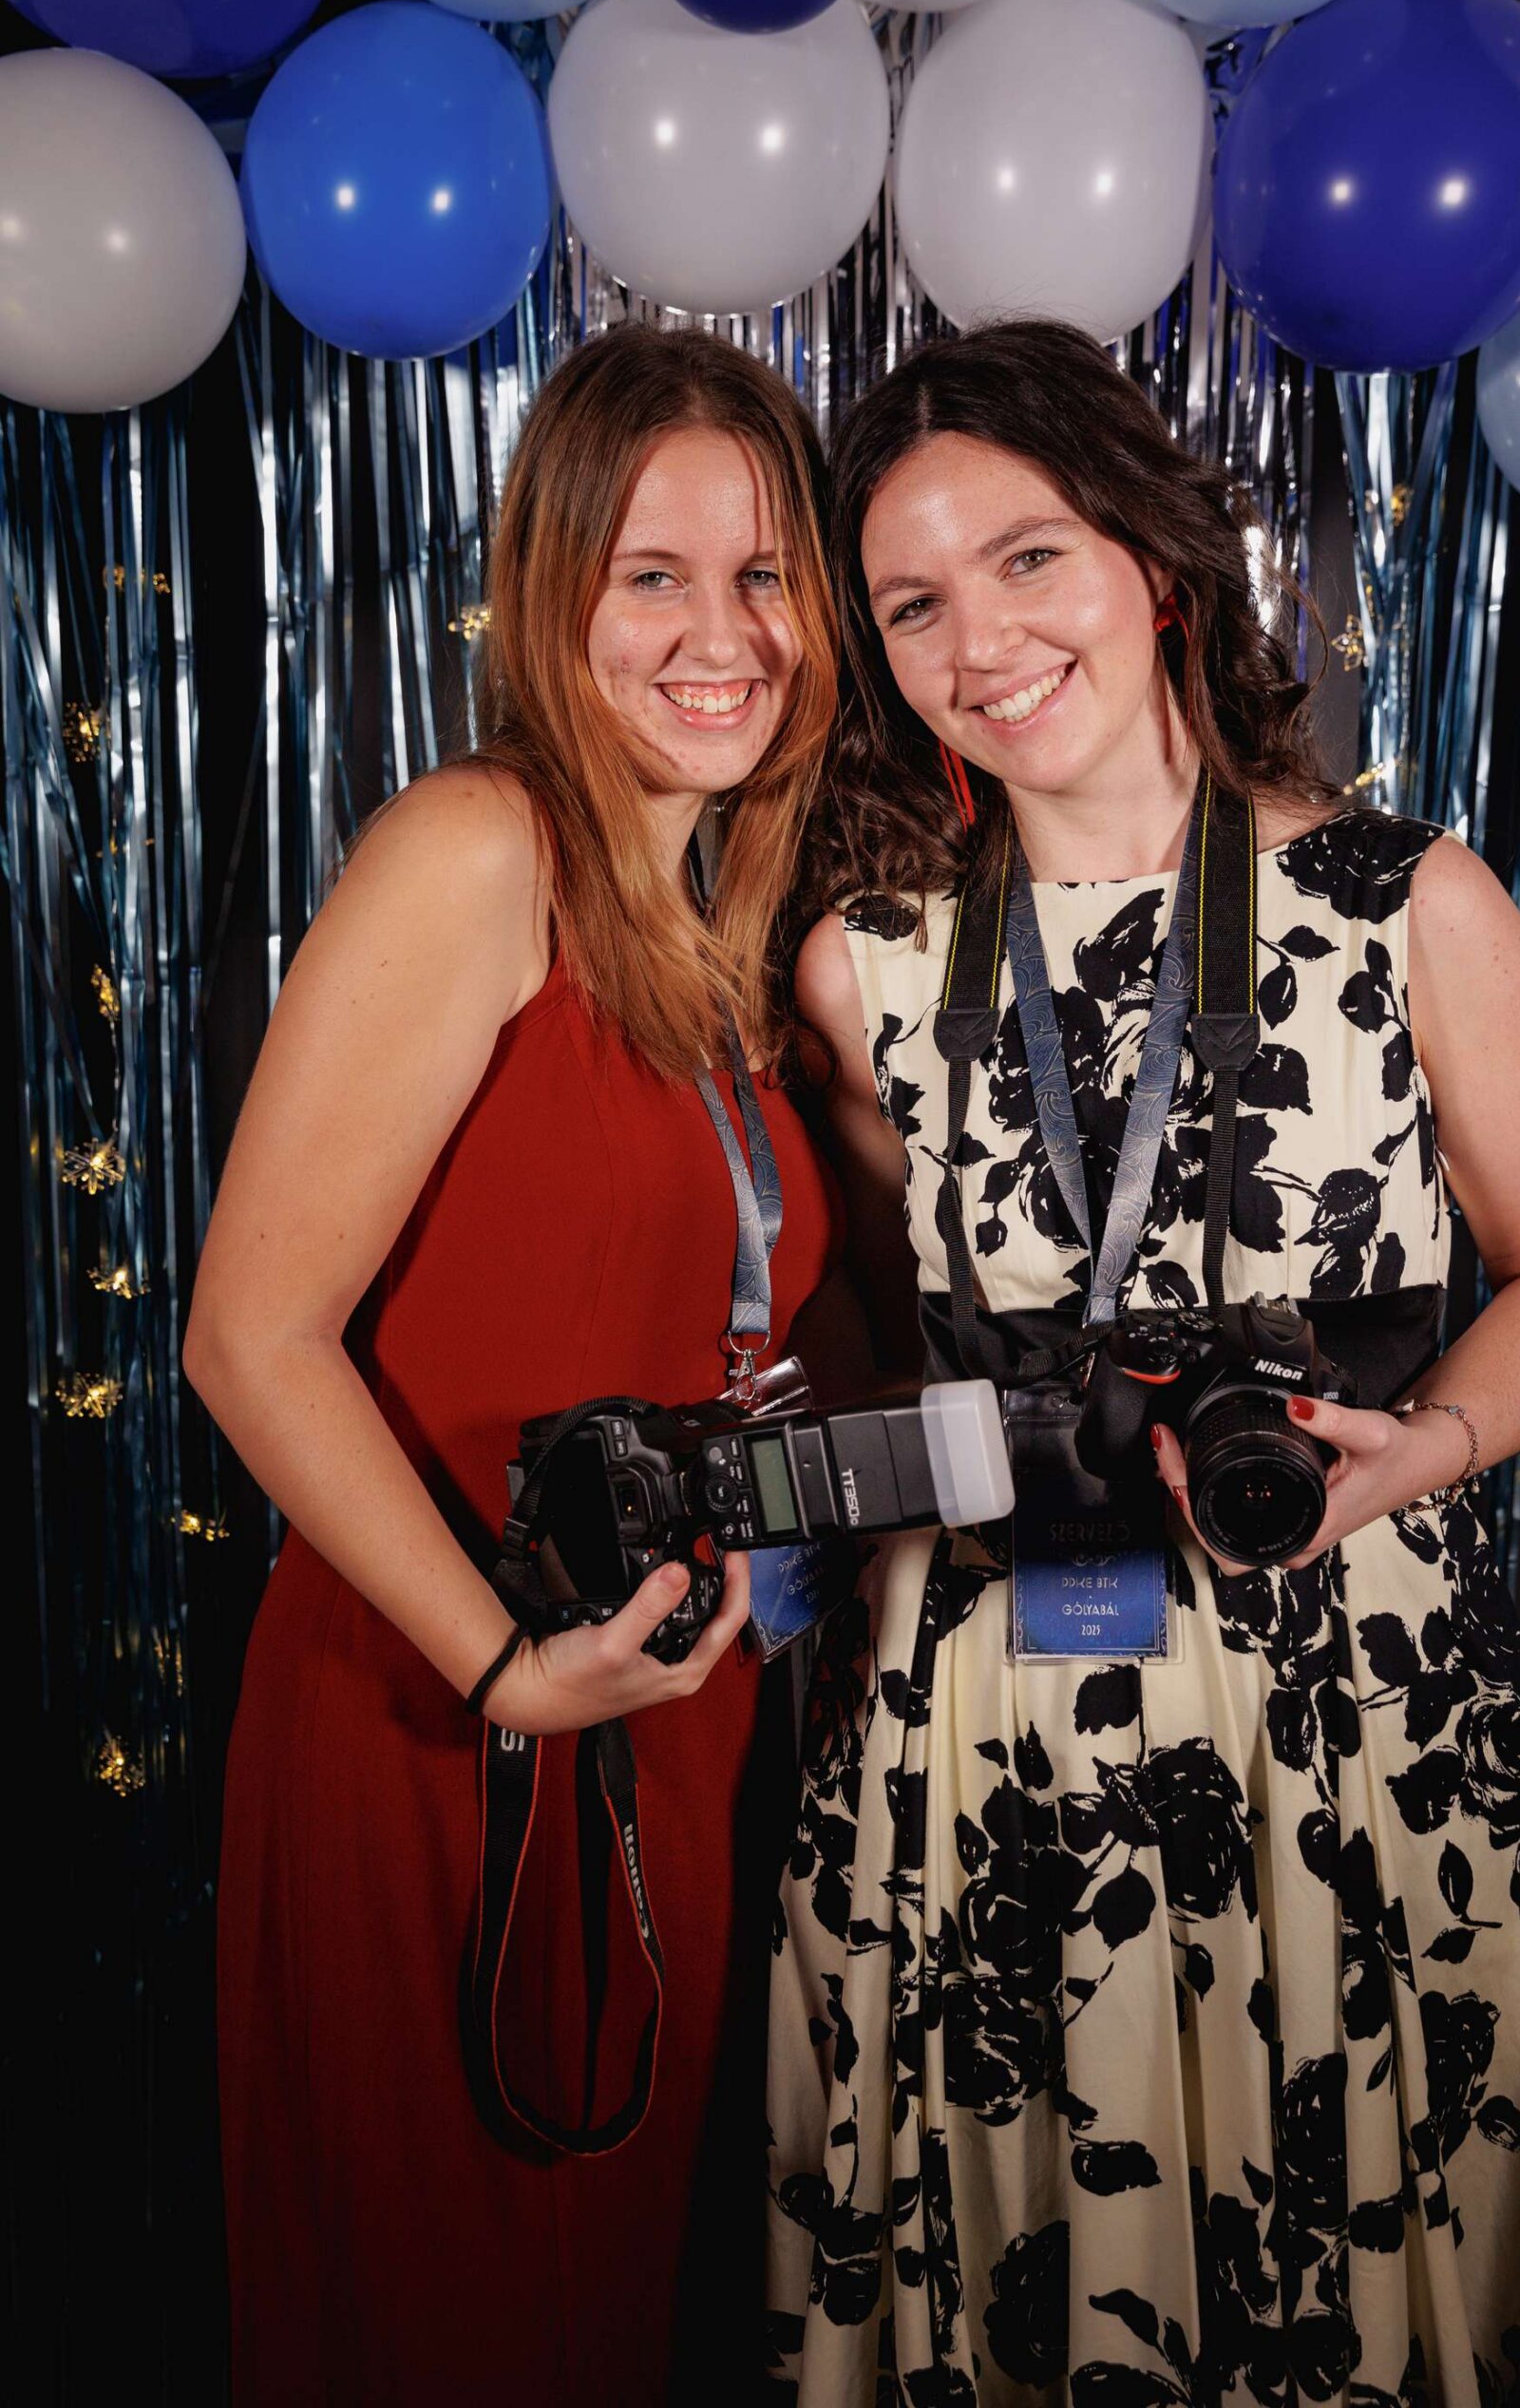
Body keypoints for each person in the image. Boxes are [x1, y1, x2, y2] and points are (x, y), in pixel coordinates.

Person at [766, 318, 1520, 2406]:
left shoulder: (1405, 901)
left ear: (1152, 560)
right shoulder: (863, 962)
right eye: (911, 601)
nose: (979, 639)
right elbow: (892, 1332)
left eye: (1027, 557)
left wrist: (1420, 1444)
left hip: (1355, 1700)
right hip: (990, 1721)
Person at [187, 322, 843, 2406]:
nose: (721, 636)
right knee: (452, 2313)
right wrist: (500, 1671)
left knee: (596, 2312)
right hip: (441, 1700)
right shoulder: (480, 847)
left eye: (763, 575)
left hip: (648, 1711)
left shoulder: (715, 928)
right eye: (653, 575)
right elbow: (248, 1332)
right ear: (552, 591)